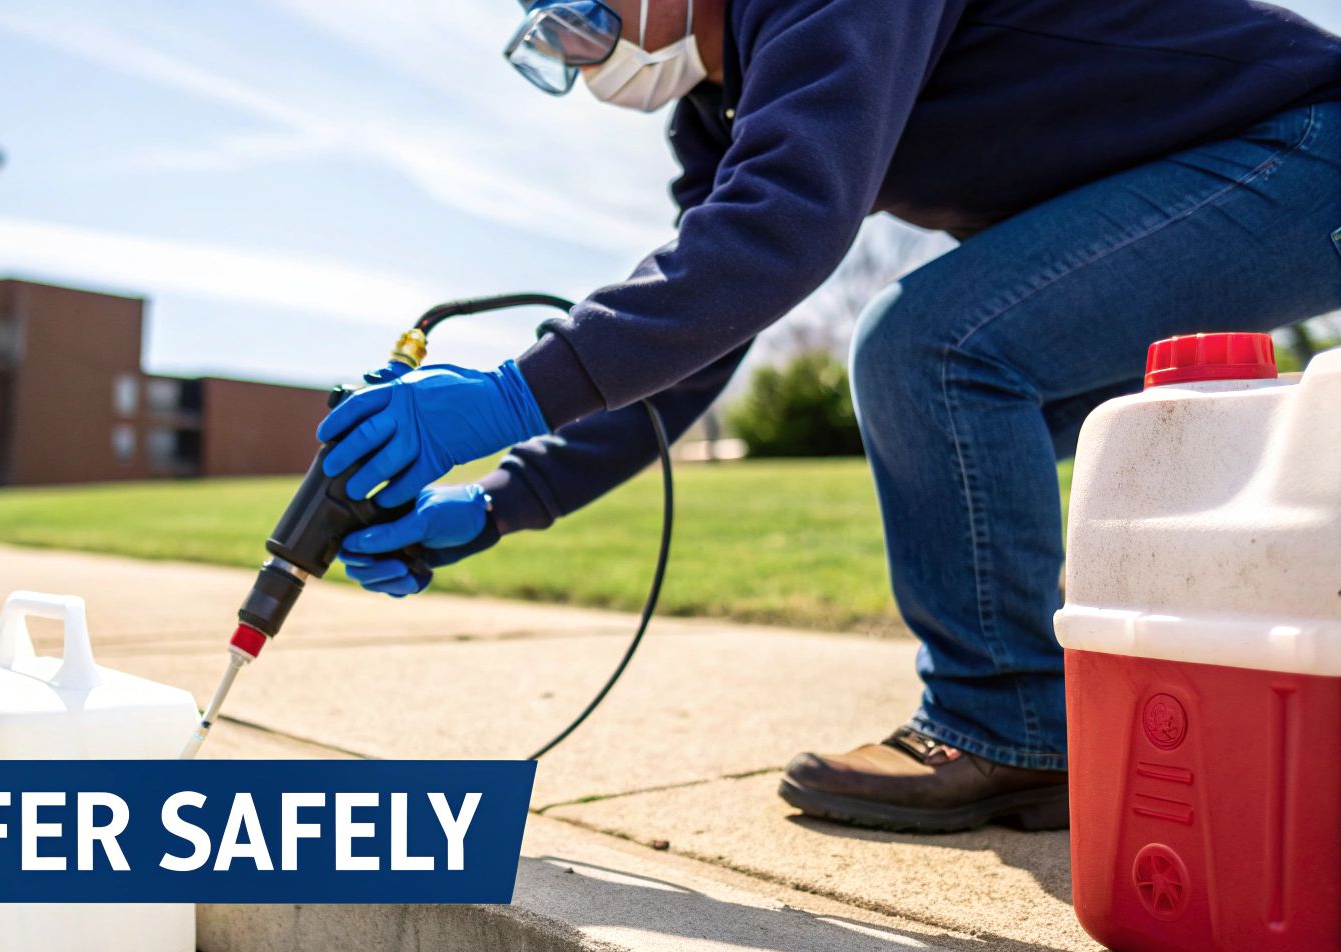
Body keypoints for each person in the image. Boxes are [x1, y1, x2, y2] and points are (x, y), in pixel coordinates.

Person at [322, 0, 1341, 832]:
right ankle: (1120, 712)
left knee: (926, 351)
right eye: (556, 48)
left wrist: (507, 393)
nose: (590, 68)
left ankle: (1003, 726)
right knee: (974, 399)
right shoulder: (713, 111)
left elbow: (781, 225)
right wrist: (504, 500)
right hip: (1235, 170)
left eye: (583, 21)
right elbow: (700, 331)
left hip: (1300, 143)